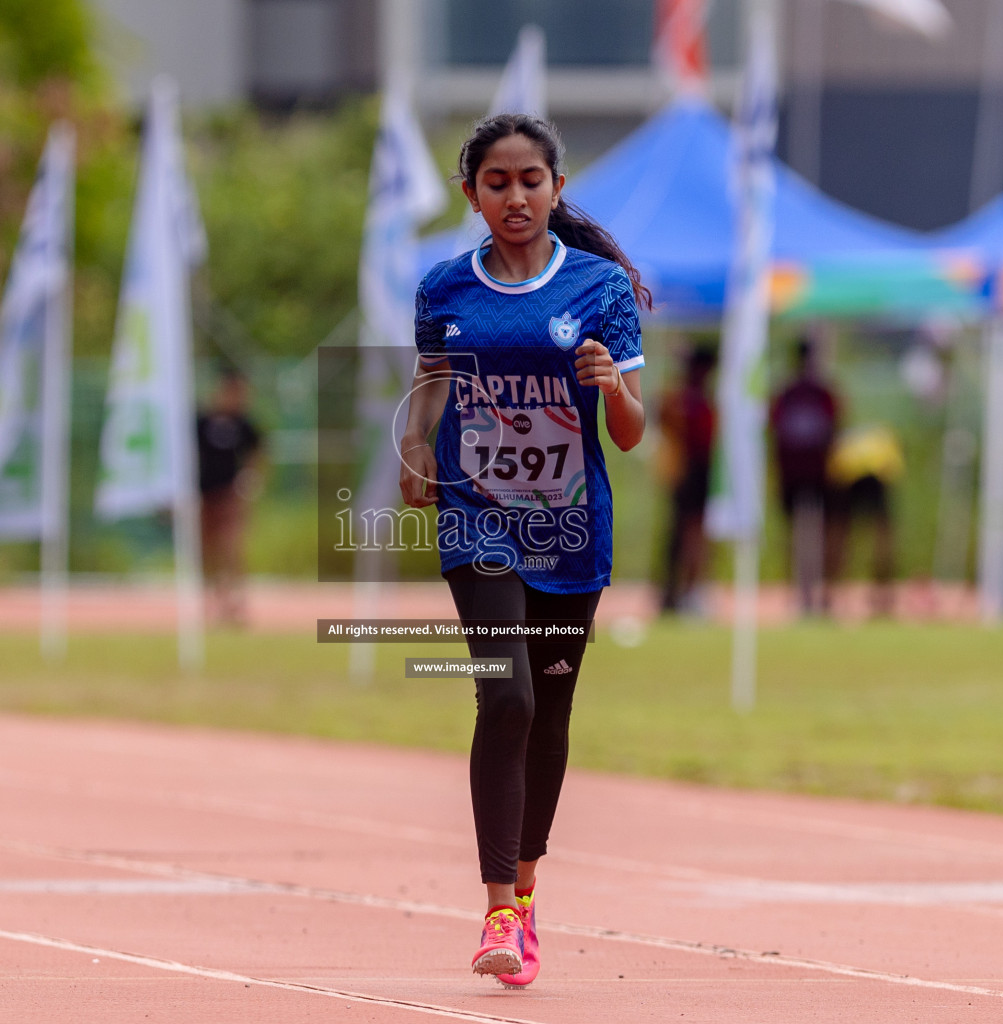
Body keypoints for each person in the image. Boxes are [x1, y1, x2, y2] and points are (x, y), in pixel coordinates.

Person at [398, 113, 647, 987]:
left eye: (530, 181)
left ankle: (528, 889)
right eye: (496, 183)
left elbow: (630, 433)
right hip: (480, 519)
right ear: (472, 194)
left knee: (550, 714)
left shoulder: (600, 287)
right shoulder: (442, 290)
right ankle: (498, 906)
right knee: (504, 697)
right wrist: (420, 449)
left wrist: (612, 385)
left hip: (571, 525)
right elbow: (432, 387)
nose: (515, 196)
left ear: (557, 189)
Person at [770, 335, 841, 615]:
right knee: (798, 536)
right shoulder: (791, 394)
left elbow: (834, 428)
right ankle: (800, 593)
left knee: (817, 534)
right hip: (798, 472)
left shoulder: (820, 394)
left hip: (814, 472)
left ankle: (815, 592)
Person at [195, 369, 261, 625]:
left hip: (230, 495)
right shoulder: (202, 422)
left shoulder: (243, 424)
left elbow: (258, 451)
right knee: (206, 550)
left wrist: (251, 479)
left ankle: (236, 603)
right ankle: (211, 601)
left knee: (232, 548)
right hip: (204, 494)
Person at [657, 345, 717, 615]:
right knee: (688, 534)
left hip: (691, 470)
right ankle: (682, 591)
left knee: (686, 534)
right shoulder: (685, 400)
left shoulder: (688, 399)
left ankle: (682, 590)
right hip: (690, 470)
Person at [827, 424, 904, 617]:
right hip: (860, 476)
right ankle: (881, 594)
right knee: (880, 534)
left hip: (852, 475)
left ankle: (838, 593)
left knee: (841, 534)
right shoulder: (880, 440)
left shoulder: (850, 442)